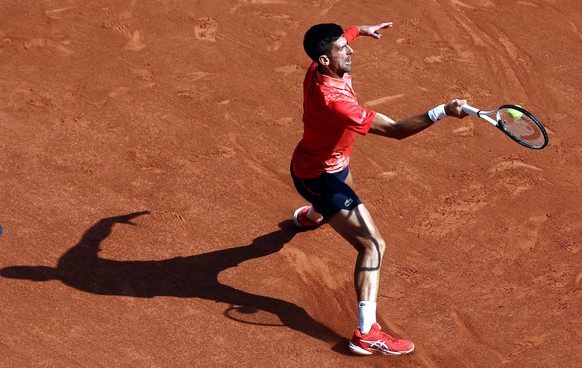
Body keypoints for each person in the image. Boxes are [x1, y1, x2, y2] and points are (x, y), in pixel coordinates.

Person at [290, 22, 467, 356]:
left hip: (318, 164)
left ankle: (312, 216)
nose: (350, 50)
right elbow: (398, 130)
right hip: (320, 179)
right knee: (373, 245)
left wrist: (359, 30)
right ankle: (365, 333)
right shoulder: (336, 102)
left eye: (346, 44)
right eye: (342, 48)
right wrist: (442, 111)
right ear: (325, 61)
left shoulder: (318, 64)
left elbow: (342, 39)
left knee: (346, 184)